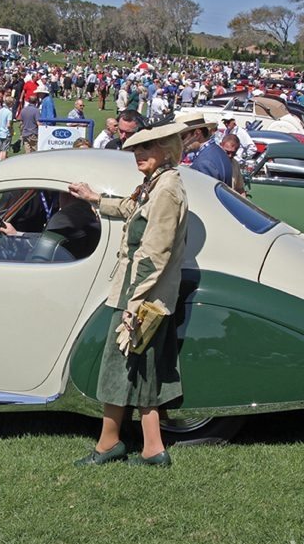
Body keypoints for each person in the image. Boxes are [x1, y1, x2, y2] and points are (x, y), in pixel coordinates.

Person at [67, 121, 189, 467]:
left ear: (166, 149)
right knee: (140, 369)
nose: (138, 154)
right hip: (141, 294)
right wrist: (94, 198)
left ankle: (110, 444)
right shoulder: (157, 183)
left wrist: (132, 305)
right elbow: (130, 209)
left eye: (147, 148)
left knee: (118, 368)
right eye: (136, 148)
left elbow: (155, 253)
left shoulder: (167, 190)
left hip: (141, 297)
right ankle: (152, 449)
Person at [177, 113, 232, 186]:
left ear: (197, 133)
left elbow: (204, 195)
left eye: (183, 137)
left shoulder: (203, 163)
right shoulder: (220, 152)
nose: (181, 143)